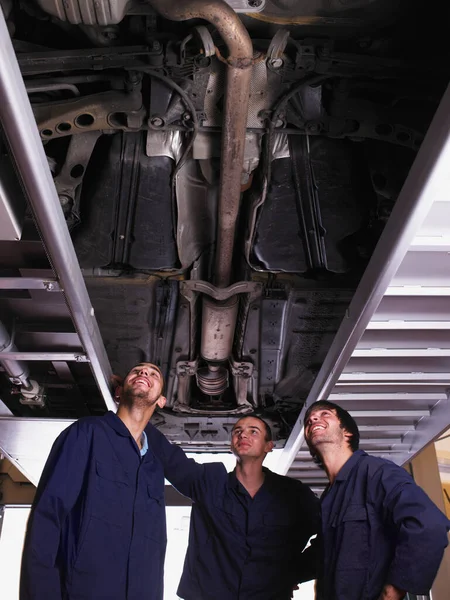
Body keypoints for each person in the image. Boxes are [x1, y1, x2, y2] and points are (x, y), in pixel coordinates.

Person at [20, 362, 170, 600]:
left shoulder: (154, 465)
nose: (144, 373)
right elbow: (48, 516)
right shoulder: (86, 433)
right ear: (119, 392)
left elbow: (156, 545)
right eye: (137, 370)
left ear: (160, 400)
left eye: (154, 374)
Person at [158, 414, 320, 600]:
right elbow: (167, 457)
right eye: (238, 431)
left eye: (253, 431)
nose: (243, 435)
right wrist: (135, 411)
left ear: (269, 446)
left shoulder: (293, 494)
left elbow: (332, 532)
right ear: (231, 445)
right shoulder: (209, 482)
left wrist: (295, 572)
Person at [303, 399, 450, 600]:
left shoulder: (377, 472)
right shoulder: (330, 496)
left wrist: (394, 590)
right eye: (309, 421)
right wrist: (277, 578)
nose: (313, 419)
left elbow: (429, 525)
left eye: (325, 414)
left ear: (347, 432)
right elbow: (322, 555)